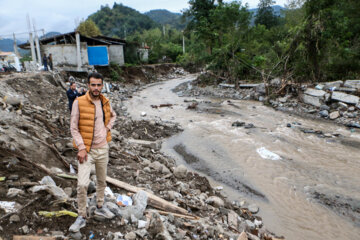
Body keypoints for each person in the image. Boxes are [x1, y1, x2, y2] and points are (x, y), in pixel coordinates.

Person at [69, 72, 117, 233]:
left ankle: (100, 205)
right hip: (87, 151)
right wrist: (81, 147)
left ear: (102, 86)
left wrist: (107, 128)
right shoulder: (79, 102)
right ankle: (82, 216)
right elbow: (73, 127)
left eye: (99, 85)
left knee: (102, 181)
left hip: (103, 148)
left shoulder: (105, 101)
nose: (96, 88)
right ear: (88, 85)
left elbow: (113, 116)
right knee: (82, 184)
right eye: (93, 85)